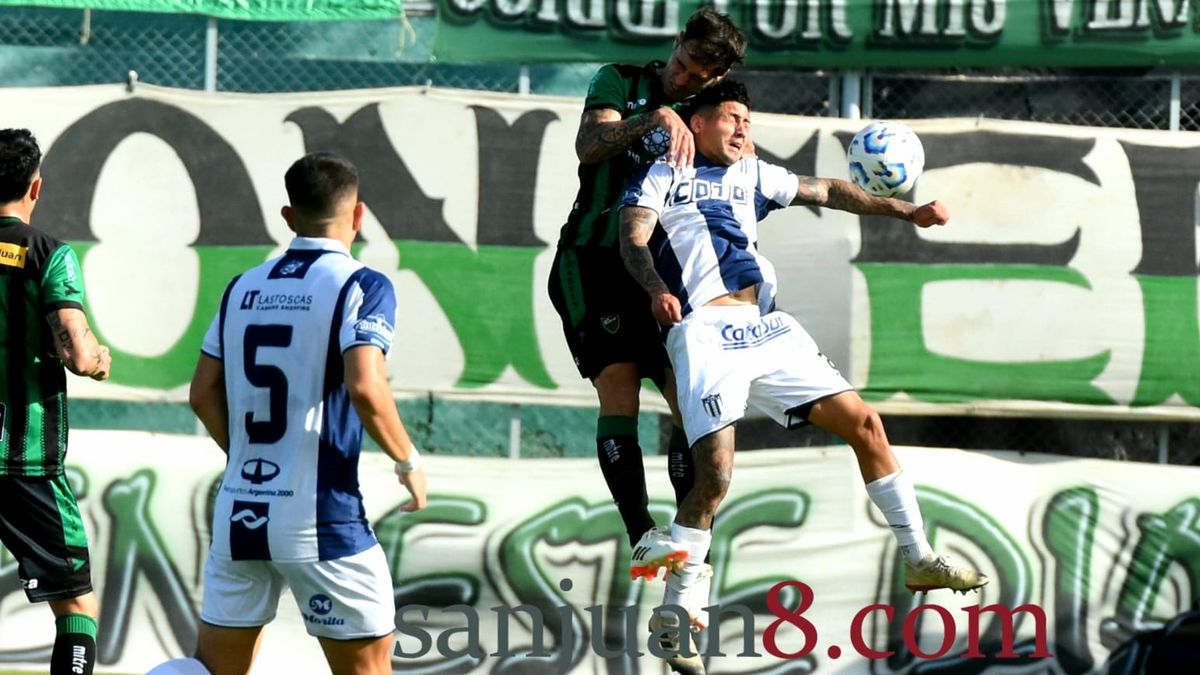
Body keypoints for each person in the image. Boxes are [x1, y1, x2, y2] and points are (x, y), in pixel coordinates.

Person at [618, 80, 989, 674]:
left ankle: (919, 557)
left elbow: (831, 190)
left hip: (767, 328)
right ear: (700, 122)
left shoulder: (754, 174)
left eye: (748, 120)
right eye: (732, 117)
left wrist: (908, 211)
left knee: (866, 424)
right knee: (715, 476)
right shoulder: (664, 174)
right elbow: (633, 237)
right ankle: (675, 619)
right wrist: (657, 288)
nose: (743, 128)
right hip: (705, 332)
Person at [158, 152, 427, 675]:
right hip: (320, 517)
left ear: (288, 216)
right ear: (359, 215)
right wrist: (408, 461)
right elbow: (366, 385)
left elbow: (202, 394)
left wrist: (248, 458)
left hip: (240, 512)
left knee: (211, 670)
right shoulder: (362, 285)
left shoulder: (242, 288)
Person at [546, 7, 748, 581]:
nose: (684, 80)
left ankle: (690, 541)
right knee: (620, 388)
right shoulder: (621, 80)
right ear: (677, 41)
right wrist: (652, 119)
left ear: (716, 78)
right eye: (682, 65)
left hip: (661, 276)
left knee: (690, 403)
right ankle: (641, 535)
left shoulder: (711, 112)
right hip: (592, 260)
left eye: (698, 76)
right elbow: (589, 146)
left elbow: (740, 166)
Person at [0, 128, 111, 675]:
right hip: (24, 459)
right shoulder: (47, 253)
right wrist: (98, 357)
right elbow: (79, 353)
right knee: (75, 604)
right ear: (35, 187)